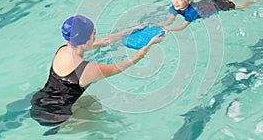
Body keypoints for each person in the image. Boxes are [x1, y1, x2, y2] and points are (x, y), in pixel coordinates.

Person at [30, 15, 163, 127]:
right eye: (94, 34)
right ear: (86, 40)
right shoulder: (89, 69)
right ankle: (62, 130)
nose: (95, 37)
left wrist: (131, 30)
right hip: (56, 117)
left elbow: (104, 41)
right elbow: (128, 63)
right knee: (112, 126)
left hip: (41, 100)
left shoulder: (65, 48)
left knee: (93, 102)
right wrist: (150, 43)